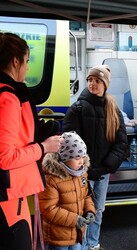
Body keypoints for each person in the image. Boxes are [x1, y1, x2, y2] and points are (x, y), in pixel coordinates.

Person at [0, 32, 62, 250]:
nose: (26, 68)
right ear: (15, 61)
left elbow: (16, 134)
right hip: (7, 199)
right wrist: (44, 147)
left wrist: (42, 131)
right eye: (26, 61)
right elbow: (5, 158)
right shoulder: (7, 97)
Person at [63, 65, 128, 250]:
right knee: (81, 211)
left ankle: (93, 244)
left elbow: (121, 142)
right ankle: (81, 246)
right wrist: (85, 168)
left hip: (103, 173)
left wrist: (108, 166)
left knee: (98, 211)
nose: (93, 83)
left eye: (97, 80)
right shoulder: (78, 108)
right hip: (82, 173)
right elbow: (69, 142)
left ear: (105, 84)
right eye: (90, 80)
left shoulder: (113, 109)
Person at [38, 131, 96, 250]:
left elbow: (86, 196)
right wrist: (74, 219)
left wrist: (90, 211)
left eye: (83, 157)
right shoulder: (52, 179)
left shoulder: (82, 173)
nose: (81, 161)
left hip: (77, 233)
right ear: (64, 158)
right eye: (76, 158)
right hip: (58, 236)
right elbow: (48, 208)